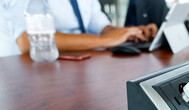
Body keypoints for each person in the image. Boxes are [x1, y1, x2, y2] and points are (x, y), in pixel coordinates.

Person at [1, 0, 158, 56]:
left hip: (76, 68)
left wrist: (131, 33)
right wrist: (104, 40)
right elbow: (27, 41)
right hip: (28, 75)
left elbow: (100, 25)